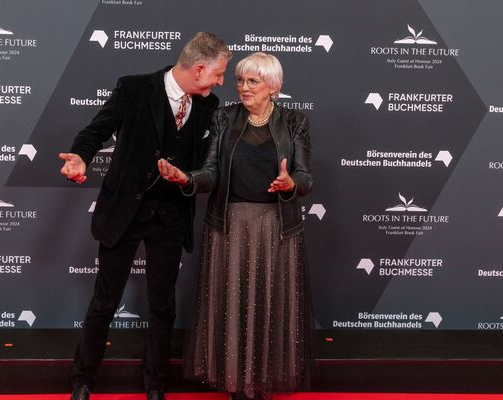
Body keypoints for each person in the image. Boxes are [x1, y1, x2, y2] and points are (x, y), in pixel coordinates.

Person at [59, 32, 232, 400]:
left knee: (162, 304)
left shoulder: (208, 105)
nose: (220, 82)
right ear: (199, 69)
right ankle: (82, 380)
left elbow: (205, 165)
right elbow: (96, 131)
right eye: (218, 73)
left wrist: (187, 178)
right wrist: (81, 156)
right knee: (104, 301)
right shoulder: (134, 89)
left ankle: (155, 383)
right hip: (124, 211)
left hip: (170, 216)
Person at [158, 52, 313, 400]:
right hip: (229, 225)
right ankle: (235, 385)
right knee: (232, 307)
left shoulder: (296, 122)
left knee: (269, 306)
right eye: (240, 80)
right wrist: (188, 177)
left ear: (272, 86)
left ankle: (264, 381)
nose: (243, 87)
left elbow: (305, 177)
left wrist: (290, 185)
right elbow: (211, 171)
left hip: (276, 228)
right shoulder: (224, 116)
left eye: (252, 81)